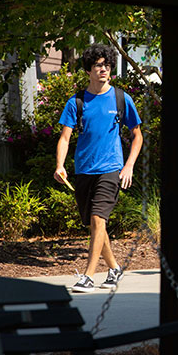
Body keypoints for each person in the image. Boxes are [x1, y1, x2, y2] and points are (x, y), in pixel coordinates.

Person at [54, 44, 143, 293]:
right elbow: (64, 137)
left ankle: (89, 276)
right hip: (83, 170)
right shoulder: (77, 102)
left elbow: (137, 135)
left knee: (97, 218)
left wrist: (129, 167)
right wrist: (60, 165)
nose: (103, 69)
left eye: (107, 65)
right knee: (94, 225)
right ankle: (114, 268)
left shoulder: (121, 98)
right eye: (98, 65)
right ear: (89, 70)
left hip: (111, 169)